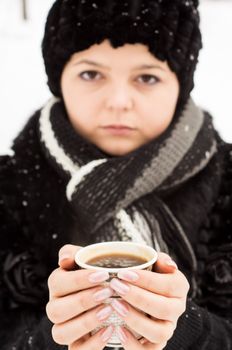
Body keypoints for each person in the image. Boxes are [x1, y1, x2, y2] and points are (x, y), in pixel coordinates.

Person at [0, 0, 231, 349]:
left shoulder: (227, 181)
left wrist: (187, 329)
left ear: (180, 86)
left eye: (147, 77)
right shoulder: (9, 188)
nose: (119, 101)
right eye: (91, 74)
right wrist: (50, 339)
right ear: (59, 80)